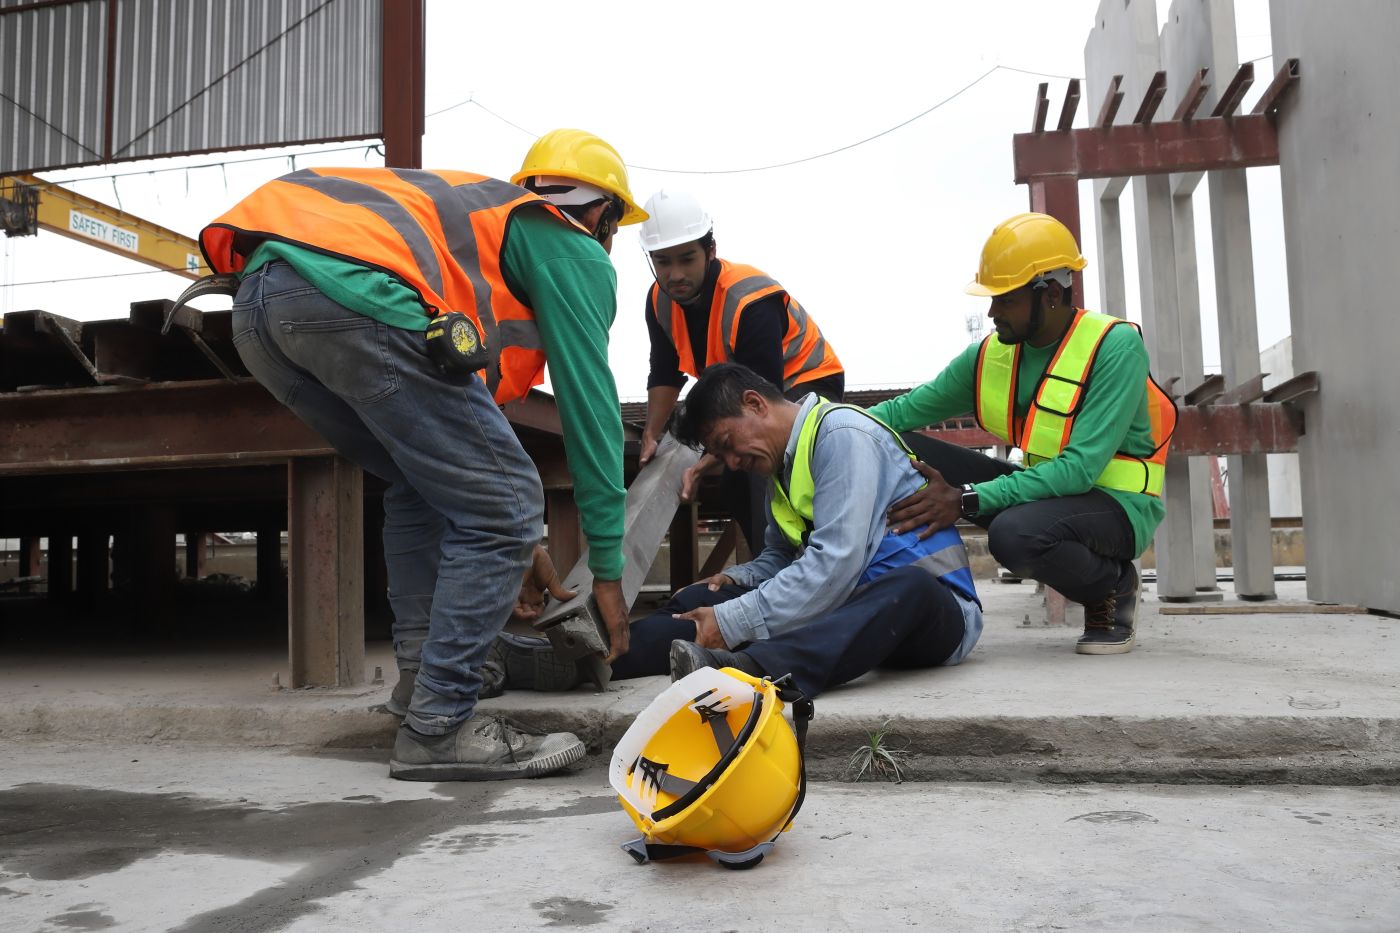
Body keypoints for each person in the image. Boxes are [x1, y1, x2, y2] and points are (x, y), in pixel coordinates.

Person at [202, 128, 646, 780]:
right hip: (350, 292)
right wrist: (606, 567)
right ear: (603, 215)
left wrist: (522, 544)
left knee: (420, 482)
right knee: (509, 497)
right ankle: (440, 726)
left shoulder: (482, 236)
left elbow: (459, 458)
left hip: (262, 304)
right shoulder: (569, 244)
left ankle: (421, 690)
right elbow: (592, 409)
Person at [872, 212, 1176, 655]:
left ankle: (1112, 586)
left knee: (1013, 535)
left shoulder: (1114, 347)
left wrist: (964, 499)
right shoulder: (992, 356)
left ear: (1050, 294)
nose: (991, 312)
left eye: (1005, 299)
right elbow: (900, 412)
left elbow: (1079, 471)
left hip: (1116, 507)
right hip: (1047, 495)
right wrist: (818, 427)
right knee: (899, 445)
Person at [608, 363, 983, 700]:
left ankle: (749, 670)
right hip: (845, 603)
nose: (734, 463)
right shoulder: (780, 467)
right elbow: (782, 557)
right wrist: (736, 578)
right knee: (701, 600)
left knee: (909, 587)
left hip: (933, 612)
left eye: (726, 445)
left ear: (755, 403)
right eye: (721, 457)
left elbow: (836, 564)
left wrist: (734, 619)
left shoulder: (843, 435)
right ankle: (599, 657)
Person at [636, 190, 845, 551]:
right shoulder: (658, 302)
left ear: (710, 250)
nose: (675, 274)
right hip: (742, 394)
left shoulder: (750, 299)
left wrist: (703, 465)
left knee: (758, 466)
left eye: (687, 259)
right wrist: (652, 434)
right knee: (735, 485)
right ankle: (770, 568)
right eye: (663, 261)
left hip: (804, 384)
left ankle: (795, 570)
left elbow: (762, 404)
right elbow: (665, 372)